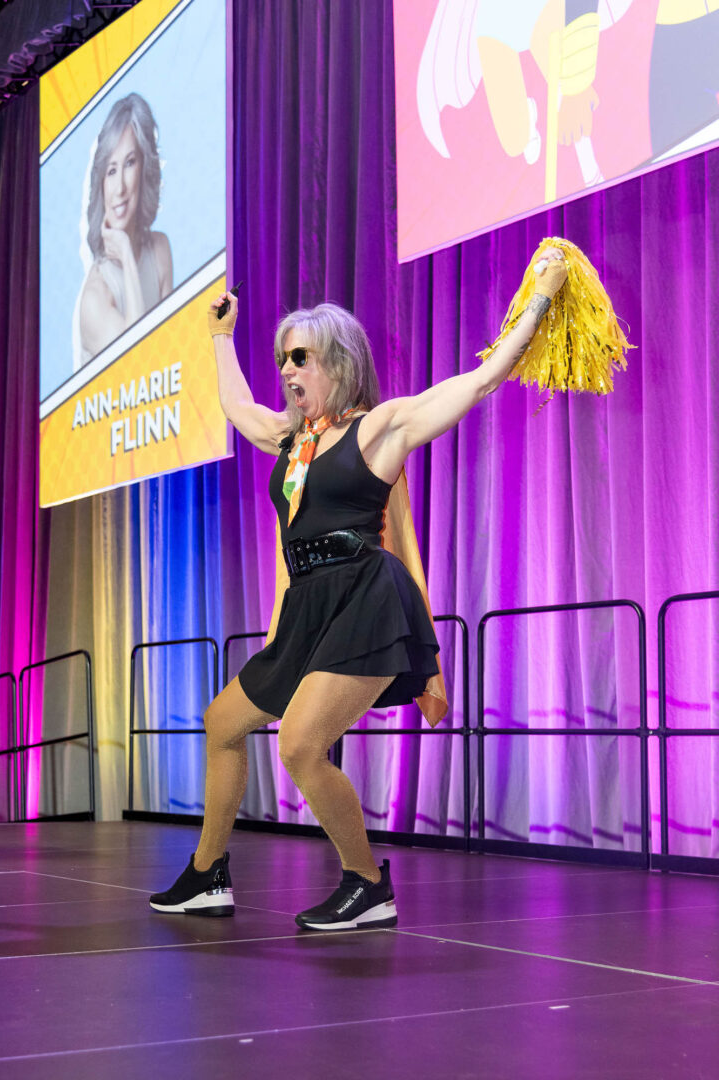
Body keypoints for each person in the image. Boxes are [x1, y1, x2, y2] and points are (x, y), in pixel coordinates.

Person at [149, 249, 568, 930]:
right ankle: (207, 874)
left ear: (338, 364)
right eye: (284, 358)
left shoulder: (379, 429)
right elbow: (237, 407)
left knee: (300, 747)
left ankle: (367, 883)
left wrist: (541, 303)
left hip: (365, 598)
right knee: (223, 724)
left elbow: (483, 379)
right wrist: (220, 337)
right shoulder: (291, 439)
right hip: (310, 605)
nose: (287, 370)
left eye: (301, 358)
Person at [75, 93, 173, 368]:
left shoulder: (159, 249)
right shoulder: (94, 297)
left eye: (130, 163)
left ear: (145, 167)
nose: (119, 188)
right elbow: (137, 364)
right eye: (111, 171)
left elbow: (168, 351)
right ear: (101, 183)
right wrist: (128, 259)